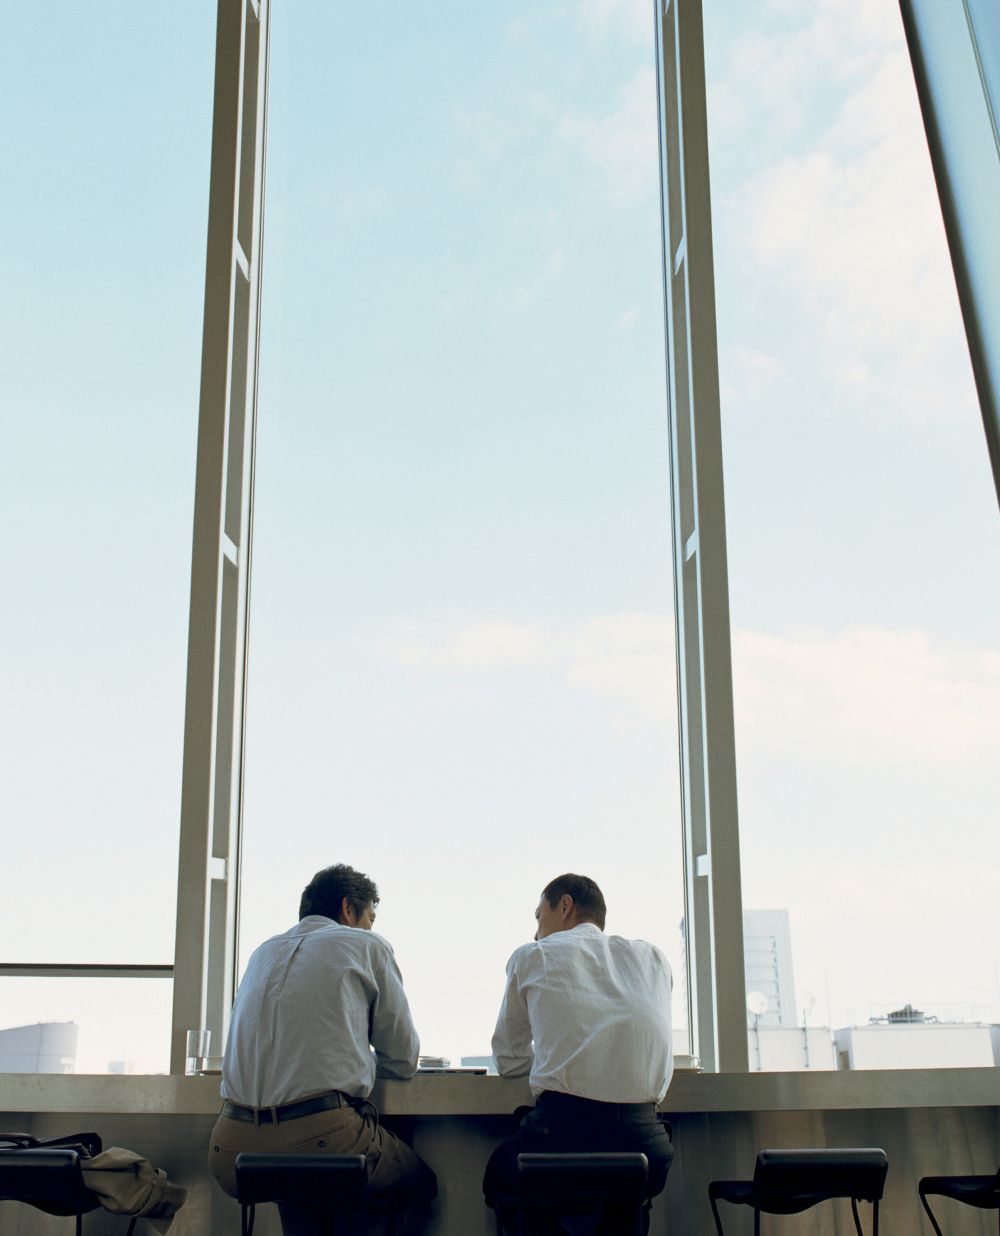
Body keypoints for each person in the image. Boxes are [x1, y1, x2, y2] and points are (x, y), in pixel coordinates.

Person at [208, 863, 437, 1235]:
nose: (370, 928)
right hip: (320, 1138)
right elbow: (402, 1058)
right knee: (419, 1183)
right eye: (370, 918)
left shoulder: (261, 953)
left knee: (300, 1183)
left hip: (230, 1151)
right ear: (349, 909)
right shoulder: (366, 945)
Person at [483, 873, 674, 1235]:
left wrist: (556, 1056)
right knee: (619, 1200)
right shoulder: (653, 959)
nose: (536, 931)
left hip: (559, 1141)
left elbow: (508, 1060)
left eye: (539, 916)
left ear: (565, 906)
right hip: (645, 1147)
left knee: (500, 1176)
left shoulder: (533, 955)